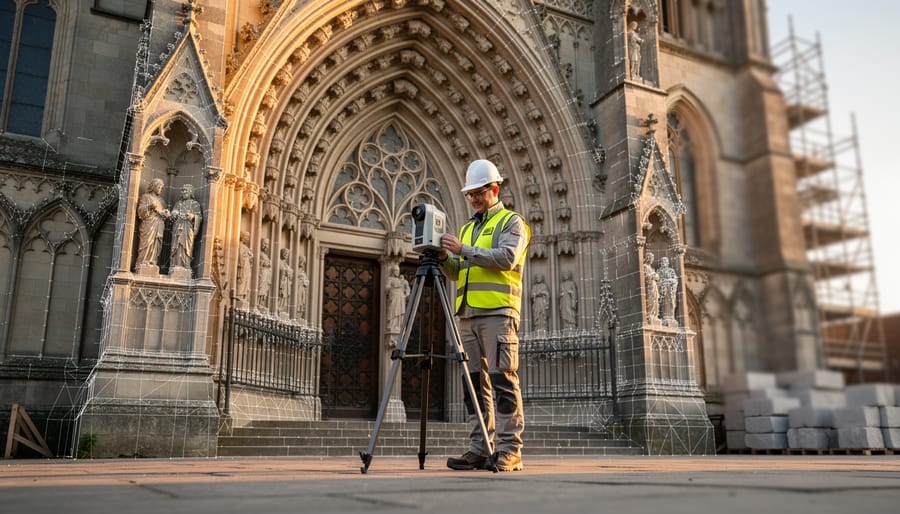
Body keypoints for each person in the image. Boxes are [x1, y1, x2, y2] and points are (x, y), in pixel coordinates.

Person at [438, 159, 531, 472]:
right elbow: (459, 271)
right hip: (467, 315)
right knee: (474, 386)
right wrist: (442, 259)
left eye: (479, 192)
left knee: (503, 381)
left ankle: (510, 451)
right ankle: (480, 448)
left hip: (498, 314)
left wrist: (463, 249)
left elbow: (506, 257)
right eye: (470, 194)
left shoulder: (512, 222)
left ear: (495, 188)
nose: (474, 198)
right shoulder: (468, 228)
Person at [136, 178, 169, 268]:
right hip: (149, 224)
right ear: (153, 186)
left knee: (156, 244)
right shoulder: (146, 197)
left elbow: (163, 215)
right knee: (147, 242)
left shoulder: (161, 201)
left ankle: (153, 261)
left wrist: (165, 214)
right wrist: (150, 206)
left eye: (161, 188)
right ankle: (142, 262)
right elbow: (140, 211)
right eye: (158, 187)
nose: (160, 189)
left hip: (159, 224)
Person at [169, 184, 202, 270]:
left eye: (185, 190)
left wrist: (192, 216)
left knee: (186, 247)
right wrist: (174, 214)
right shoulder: (178, 204)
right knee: (176, 246)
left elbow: (199, 217)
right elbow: (171, 217)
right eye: (182, 190)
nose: (183, 192)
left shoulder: (195, 204)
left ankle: (185, 265)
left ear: (190, 192)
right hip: (177, 227)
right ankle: (174, 264)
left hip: (187, 228)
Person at [385, 264, 410, 334]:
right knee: (393, 311)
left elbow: (406, 289)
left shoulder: (401, 280)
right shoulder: (390, 279)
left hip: (401, 298)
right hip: (394, 297)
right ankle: (392, 326)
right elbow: (386, 289)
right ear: (393, 271)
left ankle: (399, 326)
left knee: (400, 313)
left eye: (398, 271)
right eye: (396, 270)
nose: (397, 272)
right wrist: (393, 287)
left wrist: (406, 294)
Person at [236, 231, 253, 303]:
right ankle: (239, 294)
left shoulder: (246, 247)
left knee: (246, 279)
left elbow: (250, 257)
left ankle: (244, 294)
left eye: (248, 237)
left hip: (247, 266)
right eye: (246, 237)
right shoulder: (240, 245)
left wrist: (251, 257)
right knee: (242, 279)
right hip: (243, 266)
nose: (248, 239)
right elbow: (240, 256)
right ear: (242, 237)